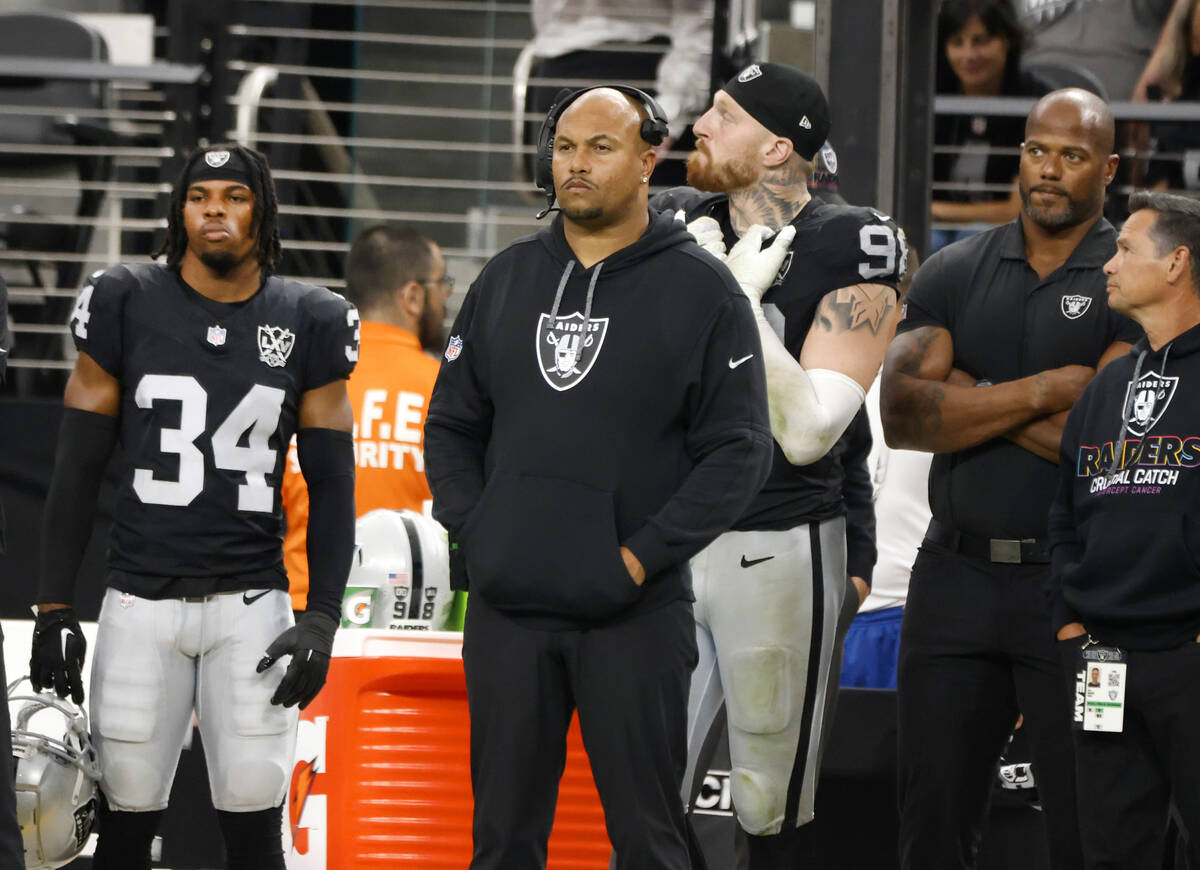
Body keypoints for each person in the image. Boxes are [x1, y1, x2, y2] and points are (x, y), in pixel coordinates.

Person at [424, 86, 773, 870]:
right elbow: (450, 425)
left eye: (601, 148)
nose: (576, 165)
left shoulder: (702, 291)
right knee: (501, 843)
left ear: (650, 160)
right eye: (565, 147)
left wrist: (640, 557)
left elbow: (741, 450)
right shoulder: (506, 277)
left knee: (649, 842)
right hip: (508, 614)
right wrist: (478, 531)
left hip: (634, 615)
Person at [28, 144, 359, 870]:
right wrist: (53, 607)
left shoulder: (310, 316)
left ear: (262, 211)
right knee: (121, 823)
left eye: (234, 196)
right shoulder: (124, 298)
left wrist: (324, 615)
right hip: (139, 598)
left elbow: (335, 484)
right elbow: (76, 471)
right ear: (179, 211)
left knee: (251, 817)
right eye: (200, 195)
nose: (216, 208)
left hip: (252, 605)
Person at [655, 61, 908, 866]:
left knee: (766, 802)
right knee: (646, 791)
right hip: (663, 542)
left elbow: (809, 432)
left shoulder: (851, 241)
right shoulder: (668, 221)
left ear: (775, 148)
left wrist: (733, 301)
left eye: (722, 114)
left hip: (778, 541)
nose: (699, 123)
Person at [881, 88, 1141, 870]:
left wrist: (969, 391)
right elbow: (901, 416)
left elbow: (1104, 446)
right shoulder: (956, 267)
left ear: (1110, 168)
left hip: (1080, 593)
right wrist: (1043, 389)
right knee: (931, 824)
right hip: (951, 583)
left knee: (1088, 819)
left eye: (1072, 154)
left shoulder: (1133, 281)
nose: (1049, 170)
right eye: (1036, 150)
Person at [1049, 190, 1200, 870]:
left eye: (1125, 250)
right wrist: (1070, 624)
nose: (1107, 264)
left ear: (1177, 263)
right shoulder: (1108, 386)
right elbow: (1062, 511)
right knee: (1110, 849)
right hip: (1102, 657)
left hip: (1186, 654)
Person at [280, 224, 447, 613]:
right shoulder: (445, 390)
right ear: (413, 296)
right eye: (443, 284)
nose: (446, 296)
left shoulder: (302, 379)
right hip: (410, 610)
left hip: (299, 609)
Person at [932, 0, 1052, 251]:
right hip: (937, 228)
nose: (969, 55)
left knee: (972, 242)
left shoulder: (1037, 103)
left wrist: (936, 210)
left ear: (1007, 40)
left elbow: (1016, 208)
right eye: (957, 43)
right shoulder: (928, 97)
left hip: (1002, 231)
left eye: (981, 41)